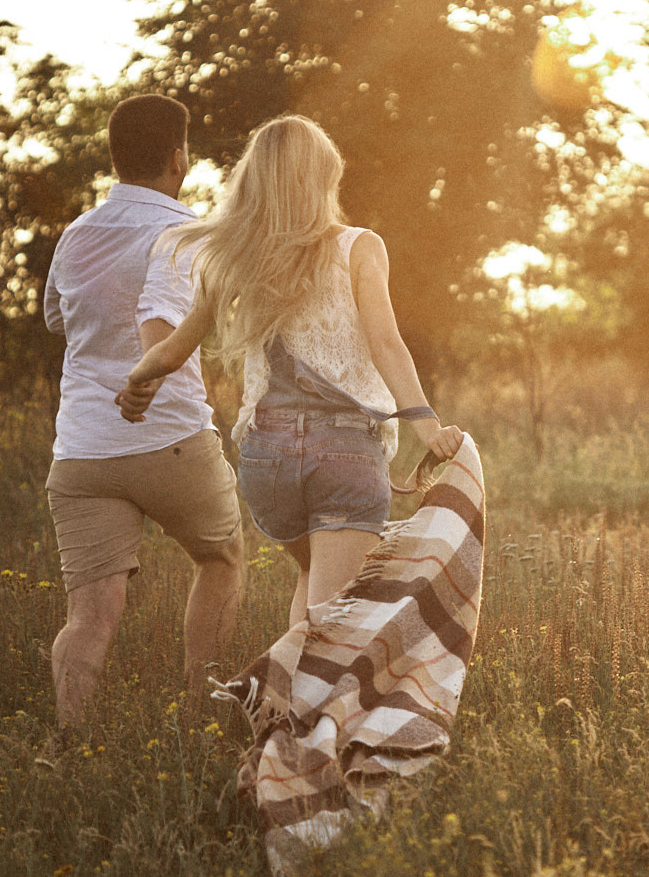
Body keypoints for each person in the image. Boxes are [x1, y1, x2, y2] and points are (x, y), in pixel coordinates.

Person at [116, 113, 463, 629]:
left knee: (314, 586)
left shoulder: (239, 255)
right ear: (324, 176)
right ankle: (298, 704)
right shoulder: (360, 246)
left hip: (268, 462)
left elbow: (173, 349)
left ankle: (292, 706)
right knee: (334, 625)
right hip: (344, 453)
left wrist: (136, 380)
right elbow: (386, 342)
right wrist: (426, 425)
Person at [41, 94, 243, 732]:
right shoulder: (187, 231)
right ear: (179, 157)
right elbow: (173, 315)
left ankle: (68, 738)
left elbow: (56, 319)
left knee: (91, 615)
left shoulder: (77, 233)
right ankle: (198, 708)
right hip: (170, 437)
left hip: (83, 452)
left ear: (115, 156)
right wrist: (150, 367)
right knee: (223, 557)